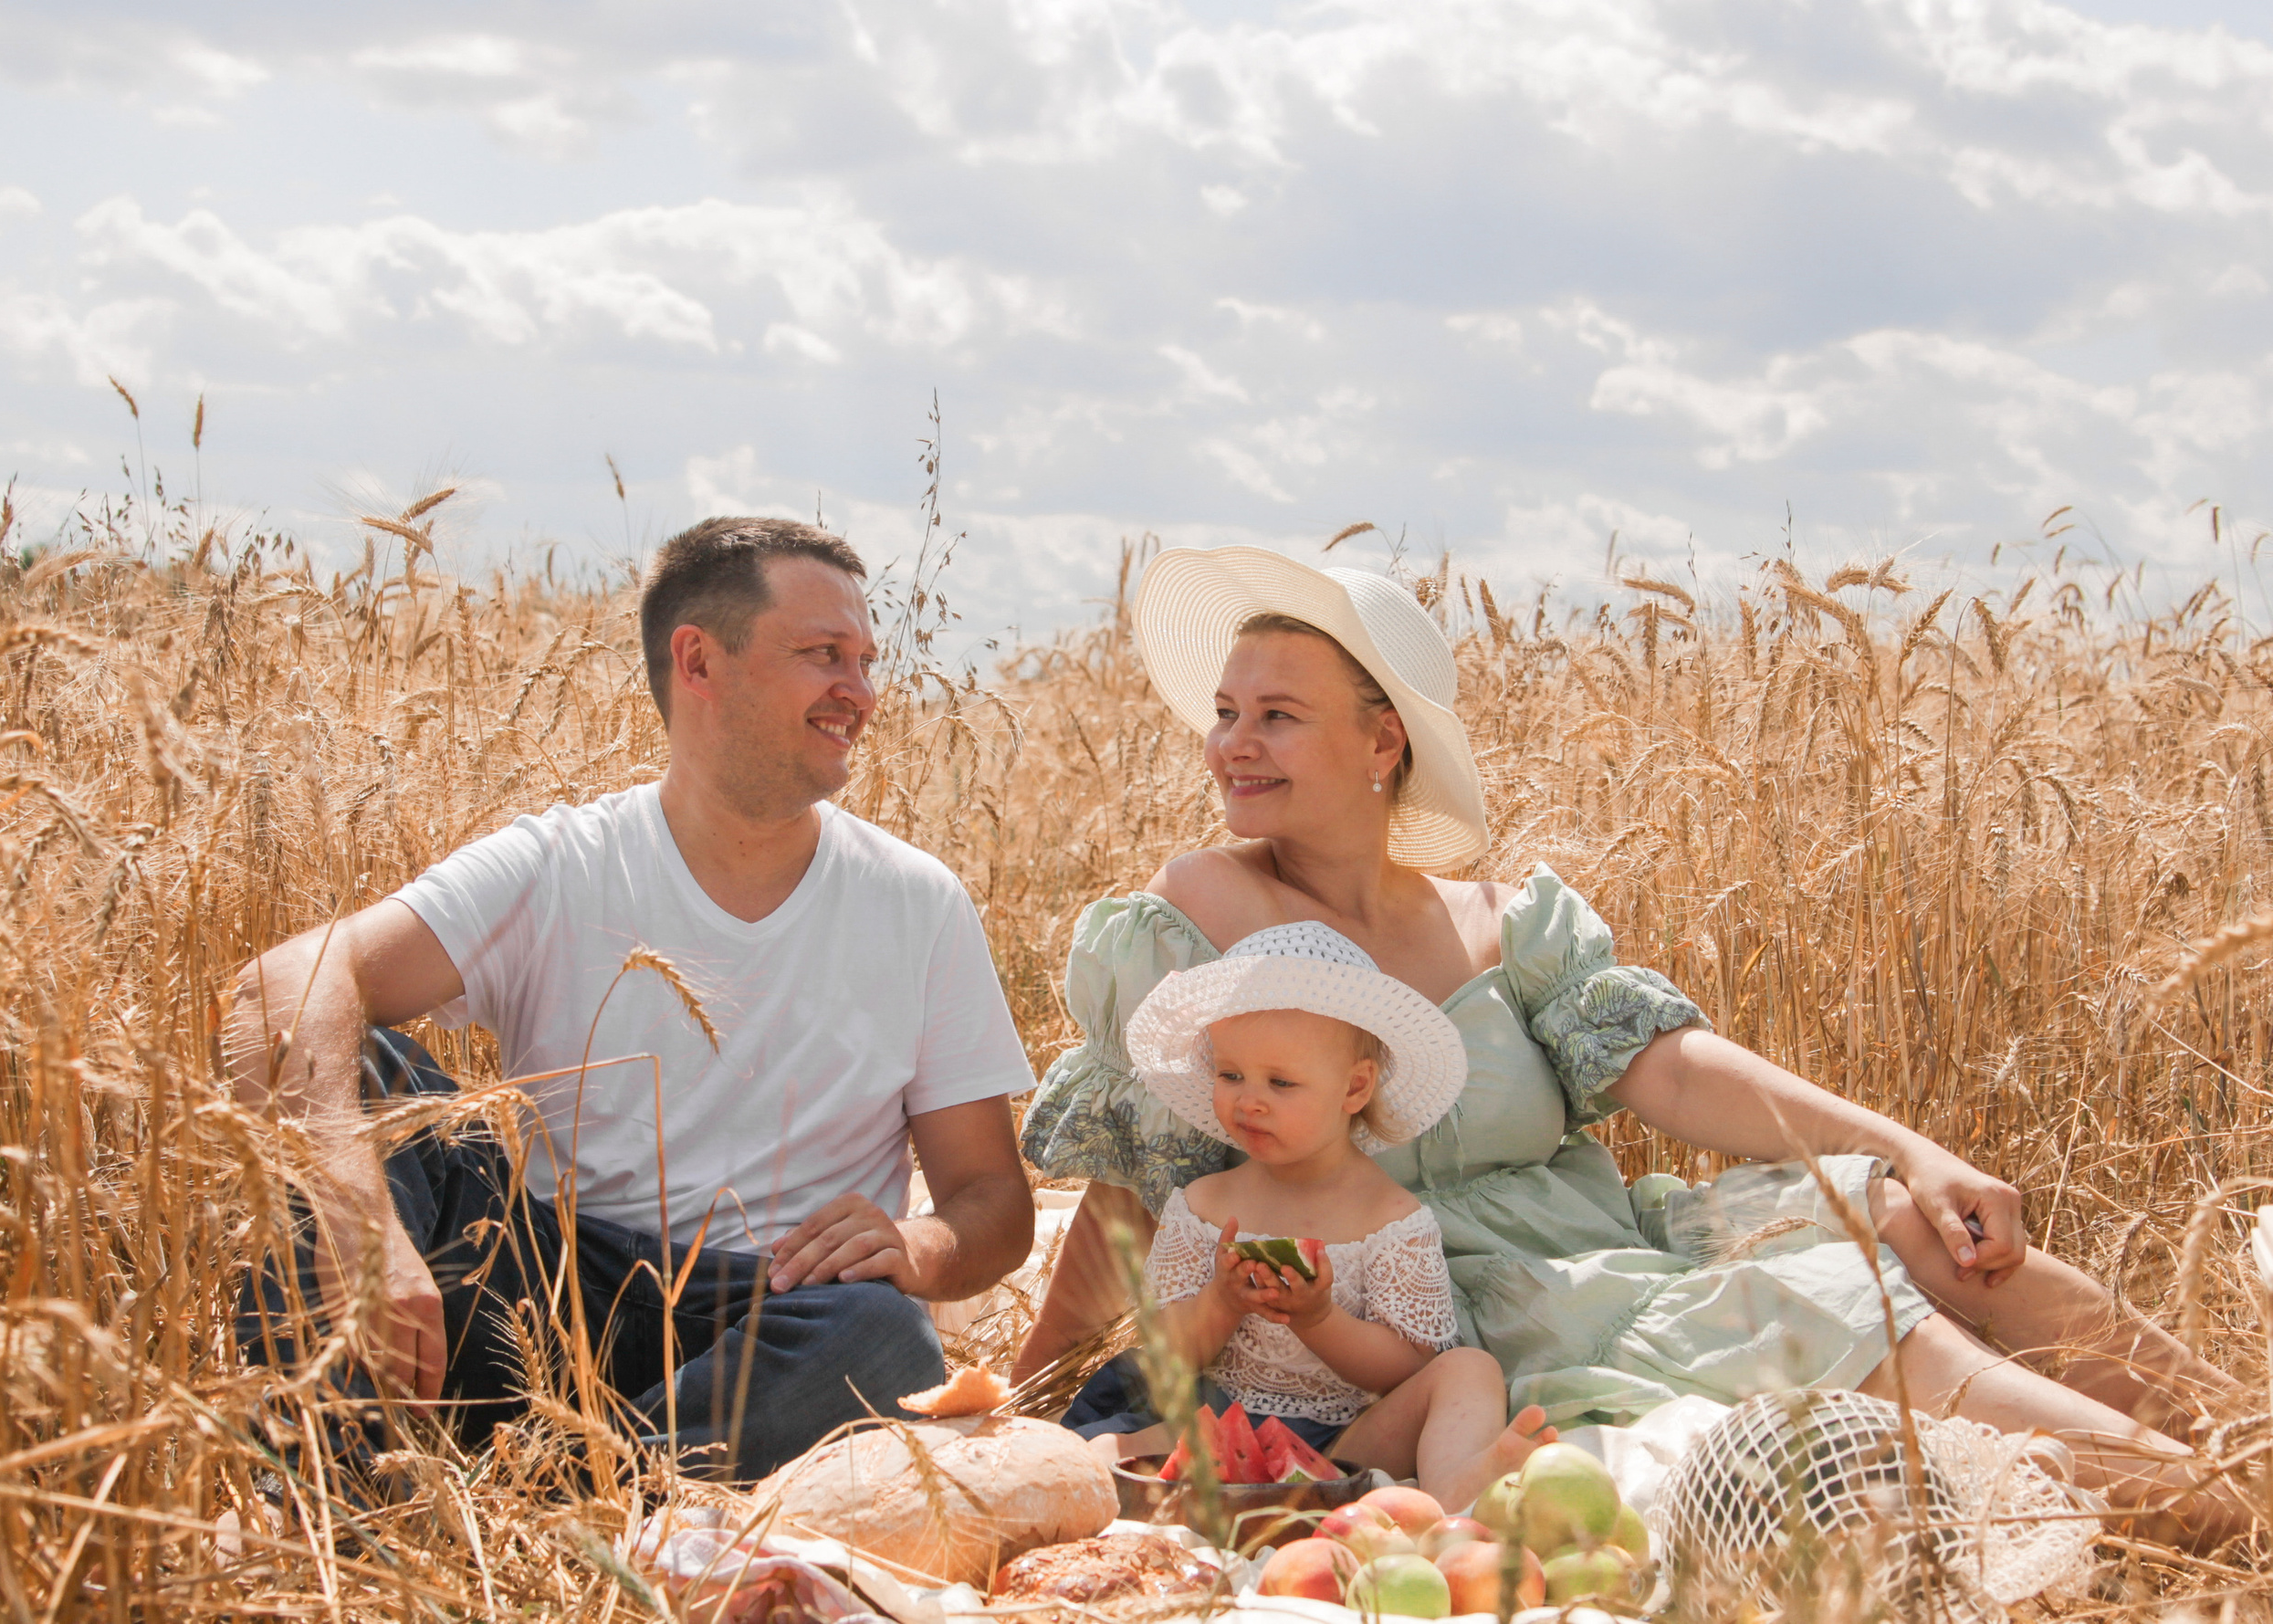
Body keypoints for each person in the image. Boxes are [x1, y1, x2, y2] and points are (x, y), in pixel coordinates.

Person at [1015, 544, 2250, 1543]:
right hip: (1484, 1297)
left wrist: (1912, 1146)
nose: (1231, 739)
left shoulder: (1504, 921)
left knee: (1922, 1222)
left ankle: (2240, 1427)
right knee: (1834, 1316)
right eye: (1226, 710)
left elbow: (1668, 1065)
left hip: (1615, 1235)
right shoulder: (1196, 913)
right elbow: (1133, 1163)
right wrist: (1020, 1405)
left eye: (1277, 714)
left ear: (1383, 739)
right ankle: (2214, 1500)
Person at [229, 517, 1036, 1482]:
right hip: (536, 1294)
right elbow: (283, 985)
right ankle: (338, 1508)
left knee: (884, 1340)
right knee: (354, 1074)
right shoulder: (562, 864)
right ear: (698, 661)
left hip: (771, 1315)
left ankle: (561, 1506)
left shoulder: (915, 901)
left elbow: (993, 1203)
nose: (859, 693)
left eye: (866, 660)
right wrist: (363, 1227)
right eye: (824, 655)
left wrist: (919, 1244)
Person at [1062, 919, 1558, 1509]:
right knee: (1103, 1455)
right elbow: (1166, 1355)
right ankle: (1108, 1482)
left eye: (1281, 1081)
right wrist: (1220, 1303)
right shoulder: (1205, 1204)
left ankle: (1454, 1483)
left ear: (1354, 1088)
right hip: (1220, 1418)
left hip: (1349, 1441)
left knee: (1467, 1368)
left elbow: (1404, 1366)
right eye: (1230, 1073)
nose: (1249, 1098)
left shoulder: (1390, 1217)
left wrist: (1319, 1317)